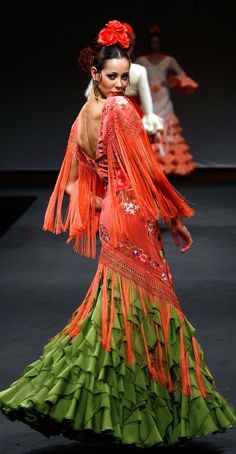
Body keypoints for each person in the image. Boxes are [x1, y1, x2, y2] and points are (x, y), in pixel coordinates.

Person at [0, 20, 235, 448]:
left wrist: (100, 201)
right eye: (113, 76)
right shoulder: (120, 110)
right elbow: (145, 172)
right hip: (132, 215)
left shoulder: (82, 116)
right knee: (146, 308)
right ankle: (141, 412)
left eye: (126, 76)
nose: (120, 84)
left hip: (113, 214)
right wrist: (176, 218)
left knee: (116, 309)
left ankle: (94, 401)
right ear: (95, 73)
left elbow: (80, 173)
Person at [135, 25, 198, 175]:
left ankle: (166, 166)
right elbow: (131, 74)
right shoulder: (141, 60)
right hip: (148, 97)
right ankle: (148, 166)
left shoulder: (169, 59)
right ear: (149, 43)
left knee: (165, 128)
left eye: (157, 42)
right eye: (152, 42)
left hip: (163, 98)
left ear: (160, 43)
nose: (155, 45)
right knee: (148, 129)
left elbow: (182, 75)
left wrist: (171, 82)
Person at [85, 22, 164, 136]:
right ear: (131, 48)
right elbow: (148, 108)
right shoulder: (139, 71)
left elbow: (88, 94)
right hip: (132, 116)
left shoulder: (104, 69)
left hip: (107, 116)